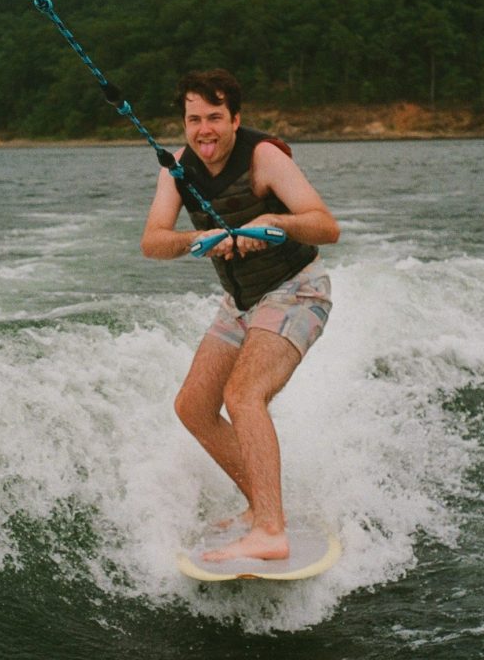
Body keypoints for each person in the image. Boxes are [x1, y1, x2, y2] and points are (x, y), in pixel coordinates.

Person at [140, 69, 340, 562]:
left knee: (244, 394)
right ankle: (260, 507)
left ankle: (271, 531)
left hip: (297, 291)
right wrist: (197, 240)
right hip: (241, 302)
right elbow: (153, 242)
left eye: (214, 117)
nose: (204, 130)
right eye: (193, 120)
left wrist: (273, 221)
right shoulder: (176, 169)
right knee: (193, 406)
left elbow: (326, 226)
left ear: (235, 119)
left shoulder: (265, 157)